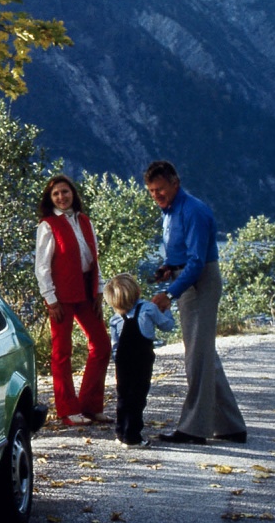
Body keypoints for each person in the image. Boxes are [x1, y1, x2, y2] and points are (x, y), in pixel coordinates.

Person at [143, 161, 247, 445]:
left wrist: (170, 293)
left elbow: (198, 262)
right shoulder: (170, 211)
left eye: (160, 189)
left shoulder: (194, 211)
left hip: (200, 283)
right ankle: (231, 427)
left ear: (175, 183)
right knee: (204, 355)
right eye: (152, 191)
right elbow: (184, 255)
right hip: (188, 280)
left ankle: (194, 429)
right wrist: (168, 267)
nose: (156, 195)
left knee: (197, 359)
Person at [35, 174, 112, 427]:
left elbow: (94, 258)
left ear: (73, 194)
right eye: (56, 194)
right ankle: (67, 410)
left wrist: (99, 291)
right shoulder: (48, 226)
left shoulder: (85, 221)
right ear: (51, 198)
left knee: (101, 345)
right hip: (61, 296)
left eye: (65, 192)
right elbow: (42, 267)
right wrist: (51, 300)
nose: (61, 197)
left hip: (87, 291)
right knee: (62, 352)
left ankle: (90, 405)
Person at [103, 273, 175, 447]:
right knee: (138, 396)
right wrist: (168, 310)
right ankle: (133, 436)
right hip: (142, 357)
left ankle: (120, 431)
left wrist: (115, 359)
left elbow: (115, 345)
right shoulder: (149, 309)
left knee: (123, 395)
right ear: (137, 290)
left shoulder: (115, 319)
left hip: (122, 359)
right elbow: (167, 326)